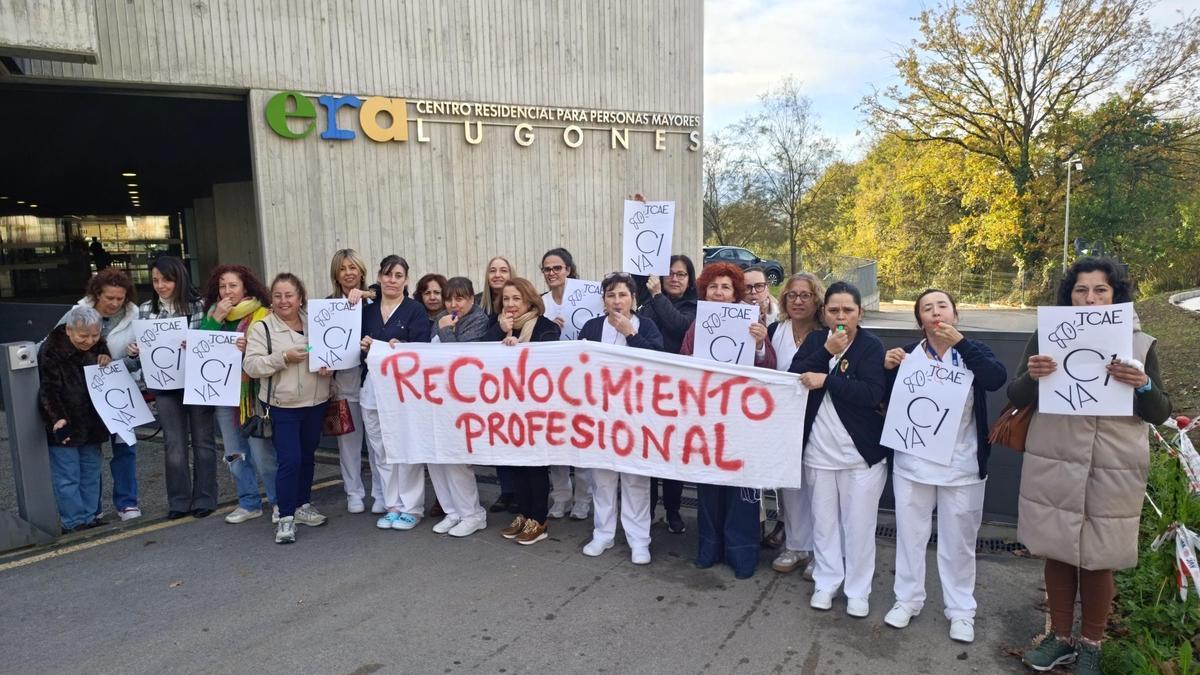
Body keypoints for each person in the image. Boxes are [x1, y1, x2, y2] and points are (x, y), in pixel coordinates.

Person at [1013, 258, 1171, 674]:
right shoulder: (1047, 336)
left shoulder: (1141, 344)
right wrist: (1032, 375)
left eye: (1100, 290)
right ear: (1070, 296)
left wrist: (1145, 385)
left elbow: (1159, 412)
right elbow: (1016, 393)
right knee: (1057, 549)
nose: (1090, 298)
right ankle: (1060, 638)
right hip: (1055, 458)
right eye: (1081, 290)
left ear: (1115, 295)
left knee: (1100, 556)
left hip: (1112, 464)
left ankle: (1092, 645)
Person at [881, 289, 1007, 644]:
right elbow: (889, 401)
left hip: (962, 466)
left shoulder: (973, 350)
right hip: (913, 463)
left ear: (955, 313)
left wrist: (962, 344)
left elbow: (996, 379)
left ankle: (961, 610)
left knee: (959, 542)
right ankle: (907, 599)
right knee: (910, 535)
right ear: (919, 319)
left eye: (942, 306)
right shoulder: (907, 354)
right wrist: (889, 368)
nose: (935, 313)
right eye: (926, 308)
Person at [789, 281, 889, 617]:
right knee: (824, 523)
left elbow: (871, 394)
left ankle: (858, 590)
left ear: (860, 313)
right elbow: (794, 376)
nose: (841, 316)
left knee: (859, 526)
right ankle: (826, 580)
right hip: (819, 452)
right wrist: (827, 353)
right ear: (824, 313)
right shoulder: (818, 341)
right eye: (834, 310)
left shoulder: (871, 346)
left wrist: (828, 380)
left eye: (848, 310)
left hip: (860, 456)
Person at [680, 262, 777, 578]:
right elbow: (683, 365)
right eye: (713, 287)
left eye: (725, 287)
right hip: (708, 418)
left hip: (742, 418)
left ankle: (742, 554)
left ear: (735, 291)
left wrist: (761, 343)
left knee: (741, 490)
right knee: (708, 488)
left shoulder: (753, 322)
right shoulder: (697, 326)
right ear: (704, 291)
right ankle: (709, 549)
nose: (719, 292)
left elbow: (769, 369)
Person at [577, 272, 664, 564]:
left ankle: (639, 540)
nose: (617, 300)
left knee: (635, 478)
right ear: (603, 300)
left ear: (633, 299)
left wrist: (631, 333)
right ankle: (603, 533)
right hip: (599, 416)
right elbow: (578, 364)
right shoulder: (591, 326)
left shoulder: (646, 326)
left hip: (636, 416)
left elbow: (658, 362)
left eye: (623, 295)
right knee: (602, 478)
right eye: (611, 295)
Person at [243, 273, 333, 544]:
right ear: (272, 298)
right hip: (282, 406)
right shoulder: (263, 328)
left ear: (300, 297)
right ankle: (284, 518)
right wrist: (283, 357)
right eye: (278, 295)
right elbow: (252, 366)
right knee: (290, 460)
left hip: (316, 402)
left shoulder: (315, 323)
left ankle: (303, 505)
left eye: (289, 295)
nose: (283, 301)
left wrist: (330, 366)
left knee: (307, 457)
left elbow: (332, 350)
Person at [129, 256, 215, 519]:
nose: (161, 285)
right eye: (155, 280)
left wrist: (197, 343)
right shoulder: (145, 310)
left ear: (179, 279)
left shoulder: (199, 306)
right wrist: (134, 352)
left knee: (203, 442)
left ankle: (205, 498)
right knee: (174, 444)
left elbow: (210, 342)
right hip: (164, 385)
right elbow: (142, 349)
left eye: (166, 279)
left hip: (196, 382)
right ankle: (178, 500)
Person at [57, 268, 141, 522]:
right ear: (96, 294)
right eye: (109, 298)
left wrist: (133, 357)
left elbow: (141, 360)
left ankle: (127, 503)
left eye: (120, 298)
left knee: (125, 448)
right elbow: (53, 345)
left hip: (120, 392)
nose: (115, 304)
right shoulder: (76, 312)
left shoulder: (136, 316)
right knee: (91, 451)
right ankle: (93, 508)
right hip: (82, 395)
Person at [198, 264, 278, 524]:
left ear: (246, 287)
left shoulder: (263, 313)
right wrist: (215, 320)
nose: (227, 291)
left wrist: (250, 346)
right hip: (223, 394)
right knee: (234, 453)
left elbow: (271, 349)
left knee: (262, 453)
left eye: (233, 285)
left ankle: (279, 502)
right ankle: (248, 502)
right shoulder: (211, 315)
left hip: (252, 395)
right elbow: (200, 350)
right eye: (222, 286)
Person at [485, 277, 562, 545]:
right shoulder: (497, 326)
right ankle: (523, 513)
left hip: (535, 409)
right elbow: (480, 357)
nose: (510, 304)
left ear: (529, 299)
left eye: (516, 298)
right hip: (507, 407)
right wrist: (499, 333)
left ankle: (539, 520)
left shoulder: (546, 327)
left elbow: (548, 364)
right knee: (514, 463)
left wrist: (519, 350)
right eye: (506, 299)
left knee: (534, 466)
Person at [360, 255, 432, 532]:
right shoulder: (367, 311)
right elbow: (350, 349)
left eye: (398, 275)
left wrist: (400, 346)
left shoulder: (414, 310)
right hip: (372, 387)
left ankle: (411, 508)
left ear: (406, 280)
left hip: (404, 389)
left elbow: (423, 347)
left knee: (406, 447)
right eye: (388, 275)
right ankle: (392, 505)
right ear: (379, 278)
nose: (392, 280)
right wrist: (364, 346)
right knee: (381, 449)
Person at [766, 272, 825, 578]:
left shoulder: (831, 332)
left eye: (806, 295)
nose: (798, 300)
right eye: (792, 295)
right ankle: (797, 545)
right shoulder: (775, 329)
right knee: (791, 484)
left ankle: (821, 551)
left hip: (820, 419)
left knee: (820, 487)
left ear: (817, 299)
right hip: (782, 419)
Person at [426, 276, 490, 537]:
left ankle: (472, 513)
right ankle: (452, 511)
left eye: (460, 298)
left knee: (457, 459)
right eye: (449, 298)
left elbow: (458, 359)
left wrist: (445, 330)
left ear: (471, 299)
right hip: (437, 398)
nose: (454, 304)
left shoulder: (478, 320)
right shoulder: (442, 317)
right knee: (435, 457)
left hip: (464, 401)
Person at [637, 254, 697, 534]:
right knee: (648, 452)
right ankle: (646, 510)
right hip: (647, 389)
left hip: (678, 392)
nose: (674, 278)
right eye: (670, 273)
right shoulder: (647, 303)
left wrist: (658, 297)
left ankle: (673, 511)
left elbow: (679, 326)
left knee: (672, 454)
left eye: (681, 274)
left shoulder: (696, 307)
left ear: (690, 279)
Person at [38, 306, 111, 533]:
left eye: (95, 335)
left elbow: (105, 358)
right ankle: (74, 521)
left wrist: (105, 355)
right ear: (69, 330)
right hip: (65, 421)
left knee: (91, 472)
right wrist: (57, 419)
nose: (89, 340)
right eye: (83, 336)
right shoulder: (50, 349)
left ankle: (89, 516)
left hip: (92, 421)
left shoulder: (97, 343)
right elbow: (47, 389)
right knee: (67, 475)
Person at [327, 249, 384, 514]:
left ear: (361, 271)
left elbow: (390, 292)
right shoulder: (327, 306)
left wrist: (368, 294)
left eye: (353, 267)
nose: (348, 273)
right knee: (348, 443)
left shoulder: (376, 301)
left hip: (374, 382)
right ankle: (354, 493)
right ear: (336, 275)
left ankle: (381, 492)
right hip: (344, 384)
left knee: (377, 441)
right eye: (343, 268)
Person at [539, 247, 593, 520]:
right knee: (555, 441)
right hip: (549, 382)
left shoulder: (589, 298)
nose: (552, 273)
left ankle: (584, 498)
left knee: (582, 442)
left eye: (557, 268)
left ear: (568, 270)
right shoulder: (540, 303)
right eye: (547, 269)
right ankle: (561, 497)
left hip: (581, 380)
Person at [478, 255, 518, 511]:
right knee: (498, 438)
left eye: (503, 270)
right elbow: (481, 345)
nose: (498, 275)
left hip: (516, 383)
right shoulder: (481, 307)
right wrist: (499, 329)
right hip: (491, 384)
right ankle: (507, 490)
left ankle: (521, 492)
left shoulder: (519, 297)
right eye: (492, 270)